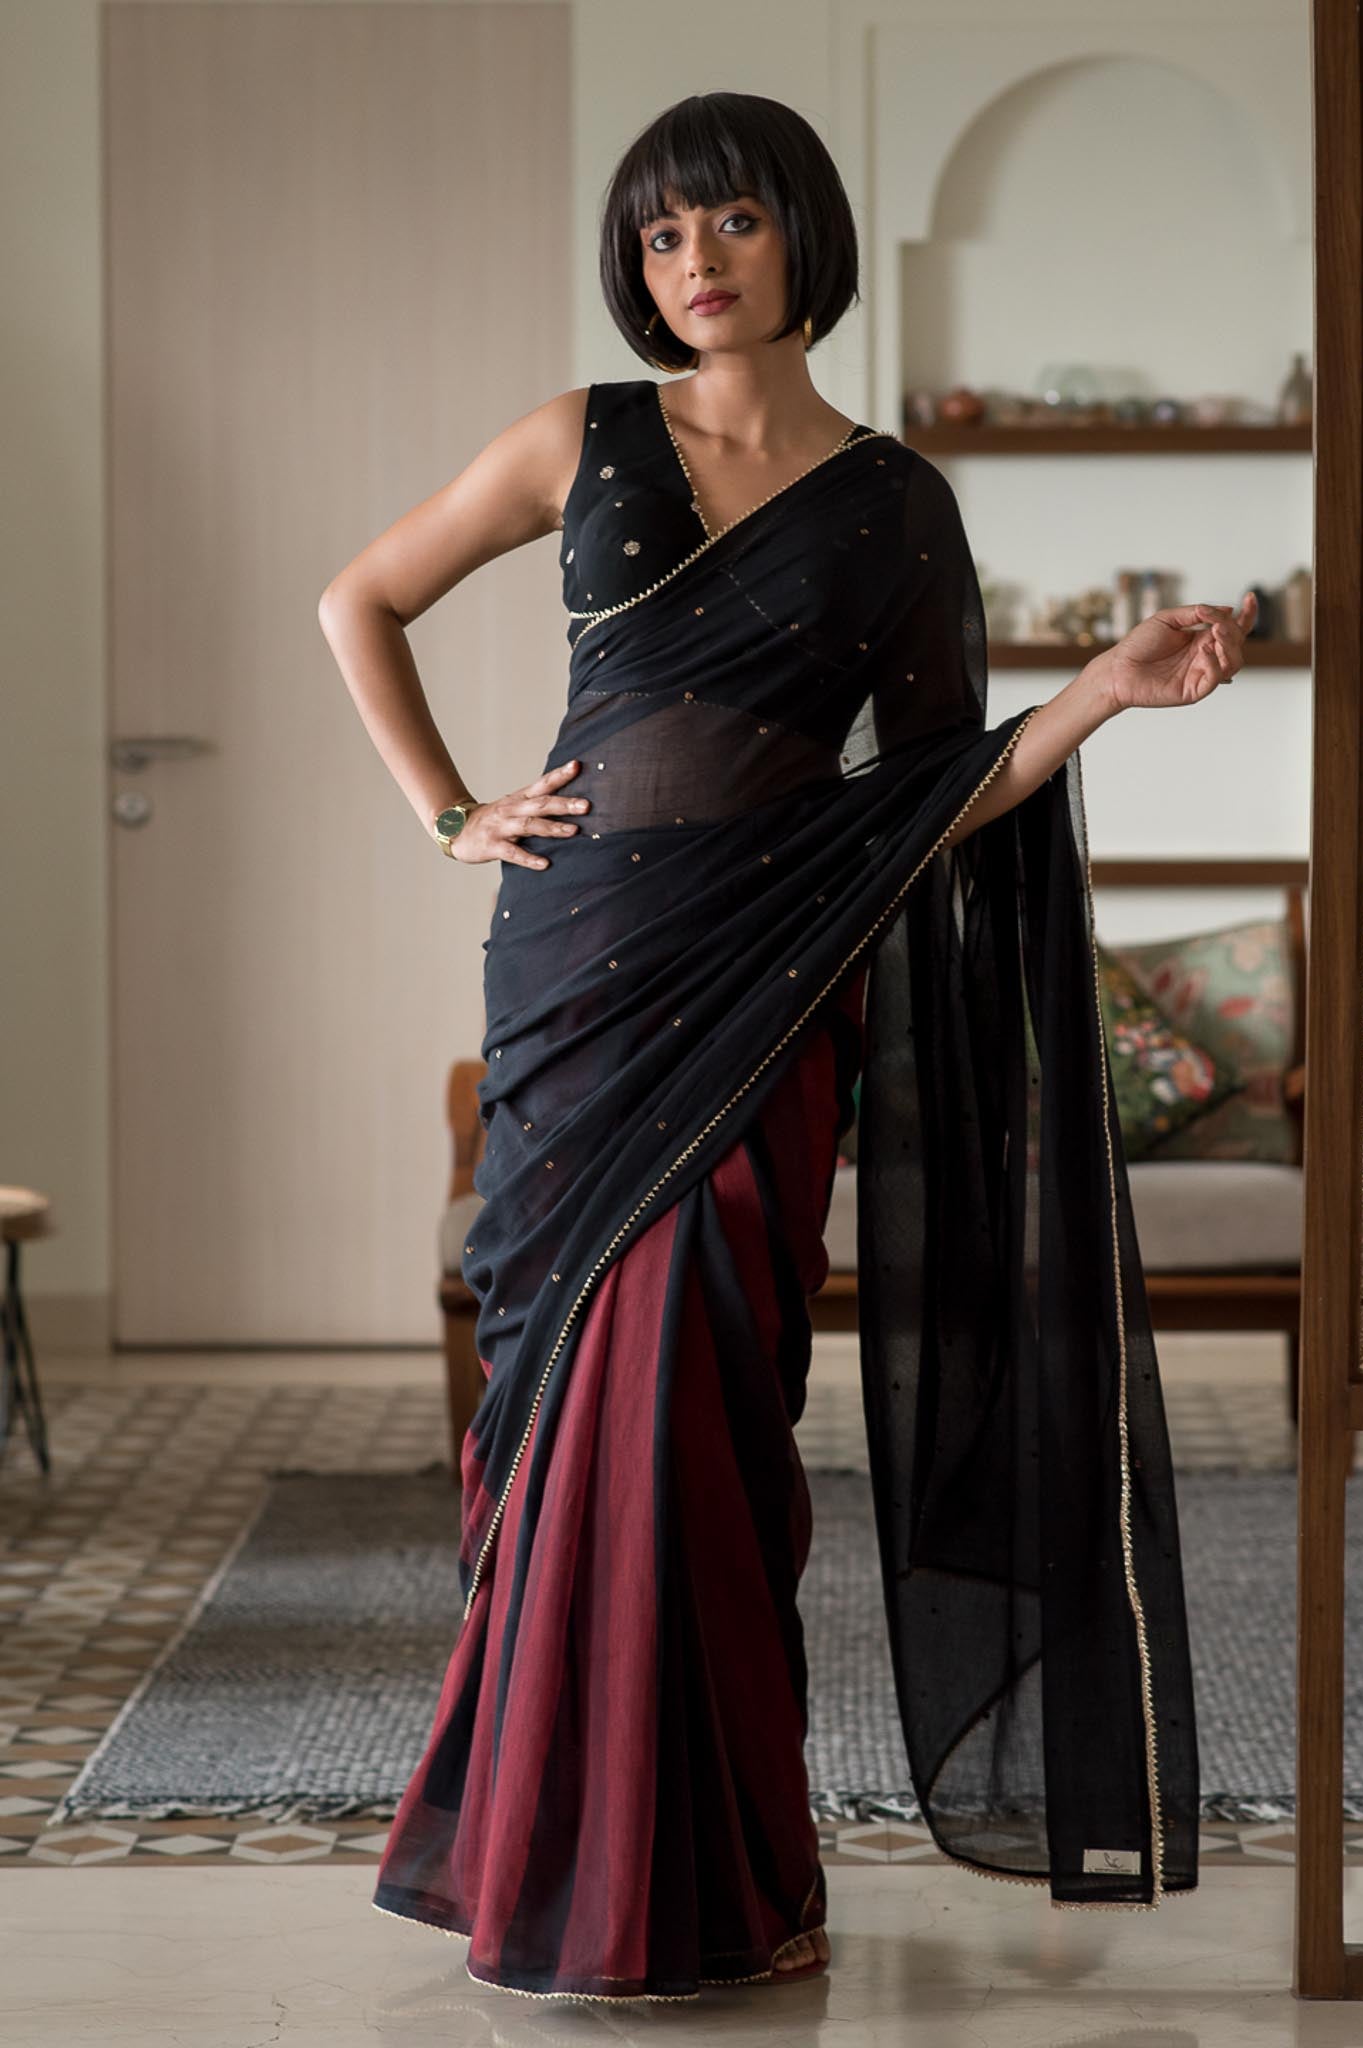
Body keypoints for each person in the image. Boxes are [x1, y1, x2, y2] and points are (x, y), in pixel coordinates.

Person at [318, 88, 1254, 2007]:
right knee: (571, 1404)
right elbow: (362, 598)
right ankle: (554, 1864)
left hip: (768, 993)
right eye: (661, 236)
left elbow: (927, 794)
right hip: (579, 977)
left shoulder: (899, 506)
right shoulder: (581, 437)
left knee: (702, 1414)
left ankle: (710, 1876)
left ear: (801, 235)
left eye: (730, 221)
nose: (696, 262)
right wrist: (451, 813)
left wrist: (1095, 694)